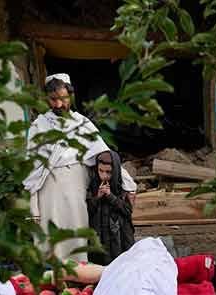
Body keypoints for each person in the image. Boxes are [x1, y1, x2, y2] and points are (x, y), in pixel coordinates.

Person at [22, 73, 137, 261]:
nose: (58, 105)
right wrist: (32, 205)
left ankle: (81, 281)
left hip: (76, 194)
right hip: (48, 196)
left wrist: (128, 184)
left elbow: (104, 154)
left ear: (71, 96)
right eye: (53, 100)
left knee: (77, 238)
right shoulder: (39, 126)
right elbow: (31, 169)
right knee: (52, 241)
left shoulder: (82, 125)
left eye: (63, 99)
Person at [86, 150, 135, 265]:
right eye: (100, 171)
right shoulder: (92, 184)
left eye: (108, 172)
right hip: (99, 235)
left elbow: (127, 211)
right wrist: (97, 197)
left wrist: (110, 196)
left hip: (118, 237)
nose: (104, 175)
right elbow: (87, 210)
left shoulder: (123, 186)